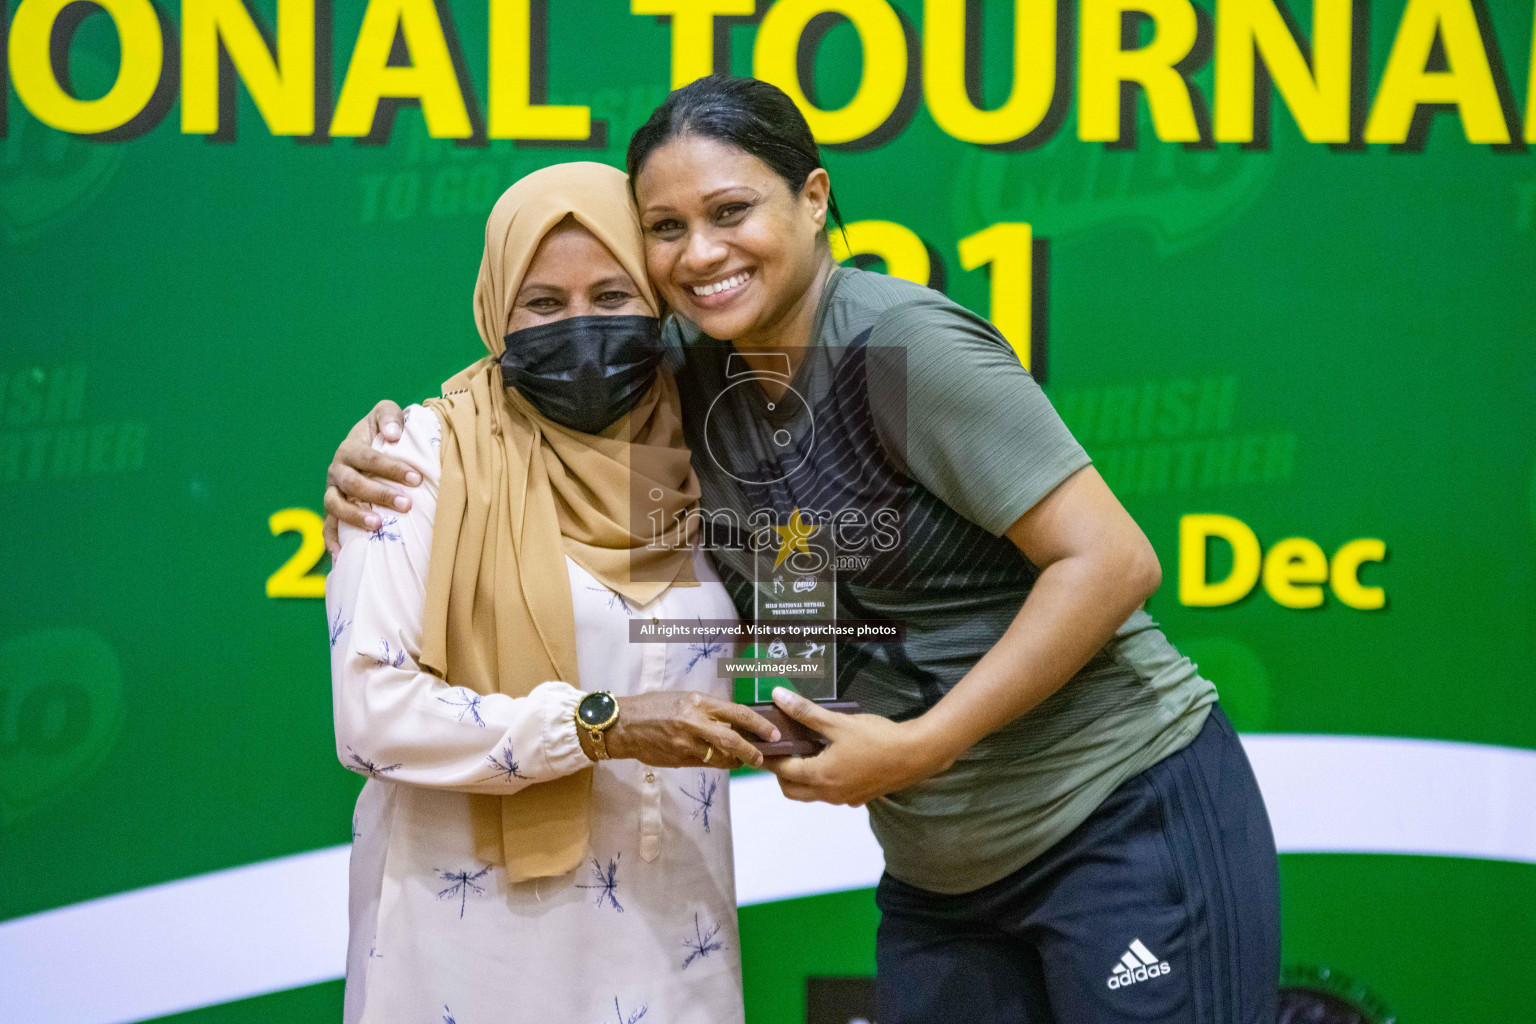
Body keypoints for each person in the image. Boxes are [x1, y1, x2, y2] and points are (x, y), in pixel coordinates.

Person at [326, 77, 1281, 1024]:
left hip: (1113, 813)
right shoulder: (686, 390)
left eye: (731, 210)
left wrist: (915, 748)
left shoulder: (901, 346)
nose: (702, 253)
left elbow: (1114, 564)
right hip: (938, 868)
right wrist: (377, 455)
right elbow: (795, 582)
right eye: (665, 230)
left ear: (814, 199)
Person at [325, 160, 776, 1024]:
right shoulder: (421, 459)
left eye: (612, 297)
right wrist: (598, 725)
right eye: (543, 304)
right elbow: (370, 713)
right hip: (471, 947)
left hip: (673, 937)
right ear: (498, 309)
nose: (580, 327)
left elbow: (794, 644)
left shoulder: (714, 452)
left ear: (658, 301)